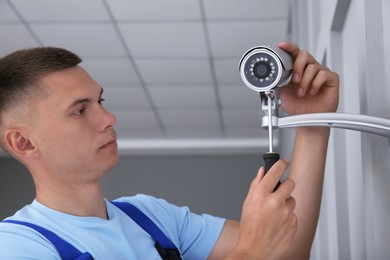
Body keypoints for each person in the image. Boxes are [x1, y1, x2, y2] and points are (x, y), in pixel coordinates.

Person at [0, 41, 339, 259]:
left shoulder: (150, 217)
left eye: (100, 101)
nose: (108, 118)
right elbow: (259, 251)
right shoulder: (18, 246)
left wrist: (312, 124)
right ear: (23, 143)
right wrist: (250, 249)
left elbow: (287, 251)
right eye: (80, 110)